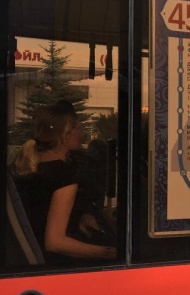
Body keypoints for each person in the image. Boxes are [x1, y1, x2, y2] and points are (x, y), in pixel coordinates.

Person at [11, 103, 116, 263]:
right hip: (58, 263)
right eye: (78, 128)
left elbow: (42, 211)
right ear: (66, 136)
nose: (81, 133)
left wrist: (79, 216)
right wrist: (108, 253)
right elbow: (55, 243)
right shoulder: (64, 174)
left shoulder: (26, 165)